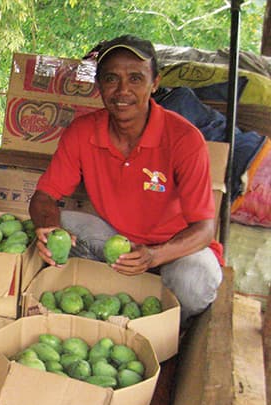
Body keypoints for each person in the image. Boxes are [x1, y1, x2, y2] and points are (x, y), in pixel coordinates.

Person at [29, 34, 223, 327]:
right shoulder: (83, 132)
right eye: (111, 79)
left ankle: (164, 330)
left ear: (155, 83)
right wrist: (48, 227)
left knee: (194, 281)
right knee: (56, 226)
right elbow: (45, 195)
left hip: (173, 250)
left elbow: (205, 229)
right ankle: (102, 306)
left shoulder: (184, 139)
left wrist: (155, 255)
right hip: (117, 242)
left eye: (135, 78)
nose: (123, 91)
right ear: (99, 85)